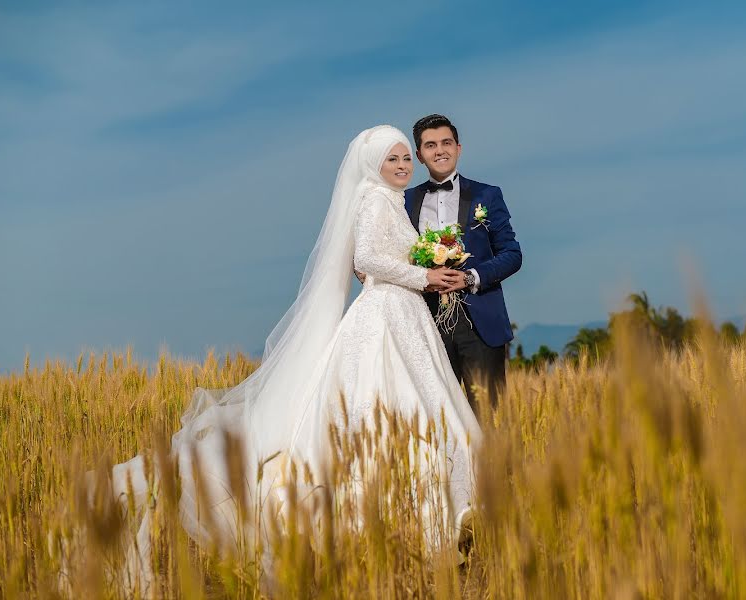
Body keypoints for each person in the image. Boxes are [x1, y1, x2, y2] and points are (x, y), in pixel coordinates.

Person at [77, 126, 482, 595]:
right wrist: (425, 273)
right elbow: (369, 258)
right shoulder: (373, 199)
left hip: (405, 314)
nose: (402, 166)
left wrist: (425, 268)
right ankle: (396, 519)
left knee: (420, 404)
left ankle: (432, 523)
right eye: (392, 159)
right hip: (383, 314)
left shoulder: (389, 200)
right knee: (384, 405)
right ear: (372, 164)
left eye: (403, 159)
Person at [405, 114, 522, 412]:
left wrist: (470, 277)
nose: (439, 150)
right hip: (427, 325)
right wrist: (423, 276)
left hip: (481, 325)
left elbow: (511, 254)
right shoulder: (404, 202)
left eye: (446, 142)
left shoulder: (488, 195)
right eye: (430, 145)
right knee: (434, 422)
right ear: (419, 155)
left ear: (459, 148)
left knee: (490, 421)